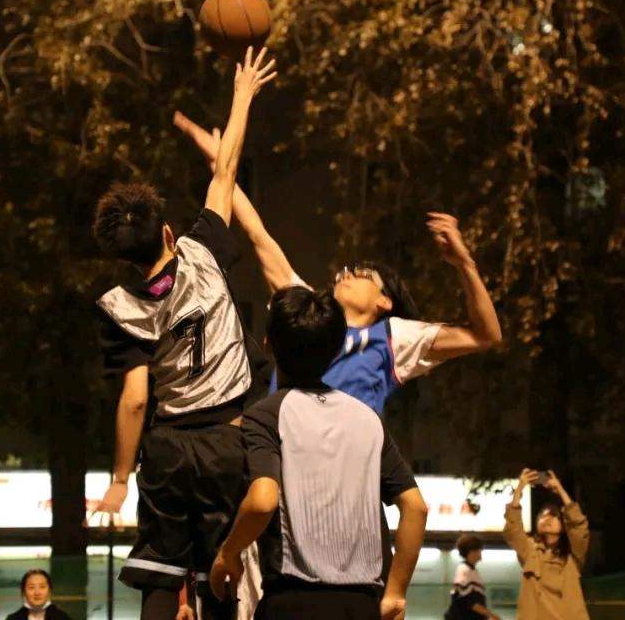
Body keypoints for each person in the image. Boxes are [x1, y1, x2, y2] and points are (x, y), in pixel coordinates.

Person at [90, 46, 277, 620]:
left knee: (161, 570)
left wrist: (120, 479)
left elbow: (135, 398)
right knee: (222, 564)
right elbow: (226, 172)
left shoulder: (119, 307)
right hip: (226, 438)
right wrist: (243, 96)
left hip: (168, 446)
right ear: (169, 232)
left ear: (123, 258)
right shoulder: (204, 252)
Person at [174, 111, 503, 413]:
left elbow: (485, 336)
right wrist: (222, 169)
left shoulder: (394, 338)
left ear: (384, 301)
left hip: (346, 455)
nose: (347, 274)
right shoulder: (307, 311)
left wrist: (465, 264)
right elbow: (257, 233)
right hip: (286, 450)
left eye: (363, 274)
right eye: (347, 270)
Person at [208, 285, 428, 620]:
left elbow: (262, 501)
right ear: (337, 348)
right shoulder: (367, 419)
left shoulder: (266, 415)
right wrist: (395, 592)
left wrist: (228, 553)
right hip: (362, 605)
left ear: (268, 344)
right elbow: (415, 507)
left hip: (292, 602)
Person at [503, 470, 590, 620]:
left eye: (553, 516)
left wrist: (560, 490)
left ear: (563, 526)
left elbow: (578, 526)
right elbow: (513, 528)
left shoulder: (573, 556)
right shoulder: (529, 549)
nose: (546, 519)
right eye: (542, 516)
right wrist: (520, 488)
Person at [445, 534, 500, 620]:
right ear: (472, 551)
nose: (480, 553)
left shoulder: (473, 571)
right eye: (479, 550)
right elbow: (469, 601)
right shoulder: (464, 570)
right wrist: (492, 615)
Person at [3, 569, 71, 620]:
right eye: (31, 587)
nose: (37, 592)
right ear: (24, 592)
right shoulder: (13, 619)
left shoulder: (63, 618)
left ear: (50, 591)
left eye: (42, 587)